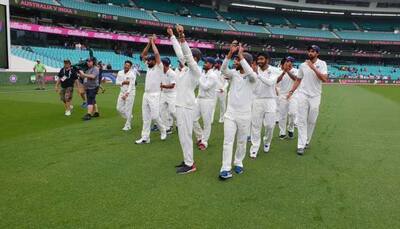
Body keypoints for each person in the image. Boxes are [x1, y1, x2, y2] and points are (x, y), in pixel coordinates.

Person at [219, 42, 256, 180]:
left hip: (245, 115)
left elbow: (251, 74)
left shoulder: (253, 77)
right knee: (228, 141)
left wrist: (241, 56)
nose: (235, 62)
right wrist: (230, 54)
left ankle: (238, 161)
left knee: (241, 141)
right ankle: (225, 168)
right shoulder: (233, 74)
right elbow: (223, 70)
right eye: (235, 60)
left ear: (244, 62)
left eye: (237, 60)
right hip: (230, 114)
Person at [167, 25, 201, 174]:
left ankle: (190, 164)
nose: (186, 58)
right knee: (182, 136)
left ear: (196, 59)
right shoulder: (186, 69)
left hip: (187, 107)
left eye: (191, 57)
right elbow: (181, 54)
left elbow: (186, 55)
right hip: (181, 106)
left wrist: (182, 37)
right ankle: (187, 160)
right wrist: (172, 36)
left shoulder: (195, 71)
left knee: (186, 135)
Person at [287, 45, 328, 155]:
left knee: (312, 120)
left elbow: (324, 79)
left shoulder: (322, 64)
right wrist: (291, 91)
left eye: (313, 51)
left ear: (317, 53)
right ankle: (300, 145)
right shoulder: (302, 65)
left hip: (315, 96)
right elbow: (298, 80)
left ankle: (306, 141)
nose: (310, 53)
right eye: (309, 51)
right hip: (303, 94)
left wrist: (313, 68)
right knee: (301, 120)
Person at [135, 34, 167, 144]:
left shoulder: (159, 66)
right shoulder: (149, 67)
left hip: (155, 94)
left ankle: (163, 130)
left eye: (150, 61)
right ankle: (145, 138)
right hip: (146, 94)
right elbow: (143, 54)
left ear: (155, 61)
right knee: (146, 117)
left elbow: (157, 54)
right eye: (147, 61)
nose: (147, 62)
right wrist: (149, 42)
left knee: (155, 116)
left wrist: (153, 42)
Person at [249, 53, 281, 158]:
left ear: (267, 60)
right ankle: (254, 148)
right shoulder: (253, 69)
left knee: (270, 125)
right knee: (255, 126)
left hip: (270, 100)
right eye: (258, 59)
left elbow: (270, 82)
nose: (259, 61)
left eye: (262, 59)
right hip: (257, 100)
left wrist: (256, 74)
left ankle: (267, 141)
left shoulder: (274, 70)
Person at [193, 57, 218, 150]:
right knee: (192, 119)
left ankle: (204, 142)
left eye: (206, 63)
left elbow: (205, 87)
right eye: (204, 62)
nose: (204, 64)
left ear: (211, 65)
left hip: (208, 100)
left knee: (206, 122)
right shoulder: (203, 73)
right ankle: (200, 137)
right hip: (199, 99)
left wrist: (198, 78)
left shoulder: (213, 75)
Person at [277, 56, 298, 139]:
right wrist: (283, 72)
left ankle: (290, 129)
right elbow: (276, 81)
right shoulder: (279, 71)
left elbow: (296, 79)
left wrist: (287, 71)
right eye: (287, 61)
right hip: (282, 95)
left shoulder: (296, 71)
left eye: (290, 61)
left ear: (292, 63)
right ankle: (282, 132)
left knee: (293, 113)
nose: (288, 63)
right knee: (282, 115)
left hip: (293, 95)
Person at [116, 60, 138, 131]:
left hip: (130, 93)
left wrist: (127, 94)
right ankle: (129, 116)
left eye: (128, 66)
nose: (126, 66)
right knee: (118, 108)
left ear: (130, 67)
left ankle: (128, 125)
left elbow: (131, 85)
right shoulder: (120, 72)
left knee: (128, 109)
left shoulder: (132, 74)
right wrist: (124, 82)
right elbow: (117, 82)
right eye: (125, 65)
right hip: (122, 91)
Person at [159, 57, 178, 134]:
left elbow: (172, 85)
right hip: (164, 94)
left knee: (172, 111)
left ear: (164, 65)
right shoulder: (161, 72)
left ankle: (180, 123)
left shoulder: (172, 73)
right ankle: (167, 128)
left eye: (161, 64)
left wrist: (162, 86)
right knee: (162, 111)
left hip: (172, 94)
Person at [214, 59, 229, 123]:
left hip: (222, 91)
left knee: (223, 106)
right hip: (215, 91)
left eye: (216, 63)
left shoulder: (225, 72)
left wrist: (223, 88)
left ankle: (222, 118)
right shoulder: (213, 71)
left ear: (219, 64)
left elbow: (227, 82)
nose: (215, 64)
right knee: (213, 105)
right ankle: (211, 119)